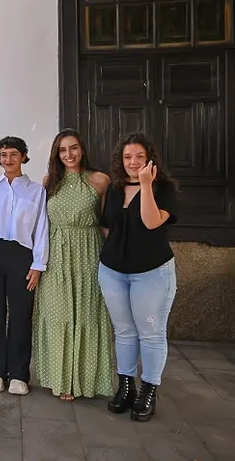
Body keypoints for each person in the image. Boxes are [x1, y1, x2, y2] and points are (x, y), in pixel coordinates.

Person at [99, 132, 178, 423]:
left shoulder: (163, 188)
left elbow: (150, 221)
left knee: (151, 333)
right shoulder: (116, 188)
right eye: (127, 157)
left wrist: (146, 184)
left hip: (151, 273)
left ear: (149, 159)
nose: (133, 162)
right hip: (113, 272)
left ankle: (148, 391)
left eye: (139, 157)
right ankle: (127, 386)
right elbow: (107, 224)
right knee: (124, 331)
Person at [34, 129, 113, 401]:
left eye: (74, 148)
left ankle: (86, 379)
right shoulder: (49, 182)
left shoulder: (100, 180)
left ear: (82, 150)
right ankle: (60, 378)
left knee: (88, 315)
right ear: (57, 154)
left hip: (89, 254)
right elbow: (41, 223)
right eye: (63, 150)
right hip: (55, 256)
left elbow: (106, 223)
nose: (69, 154)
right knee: (58, 315)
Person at [0, 136, 49, 396]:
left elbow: (41, 229)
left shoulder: (36, 191)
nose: (8, 159)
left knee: (20, 316)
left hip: (22, 256)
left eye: (14, 154)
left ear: (24, 156)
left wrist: (38, 264)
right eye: (3, 154)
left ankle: (18, 374)